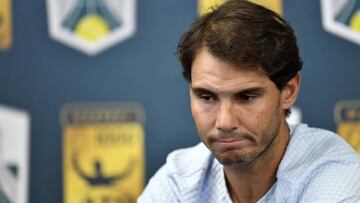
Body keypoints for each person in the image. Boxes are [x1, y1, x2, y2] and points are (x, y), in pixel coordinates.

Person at [138, 1, 360, 202]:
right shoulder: (181, 178)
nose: (224, 122)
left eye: (246, 97)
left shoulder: (336, 178)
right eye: (207, 97)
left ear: (288, 91)